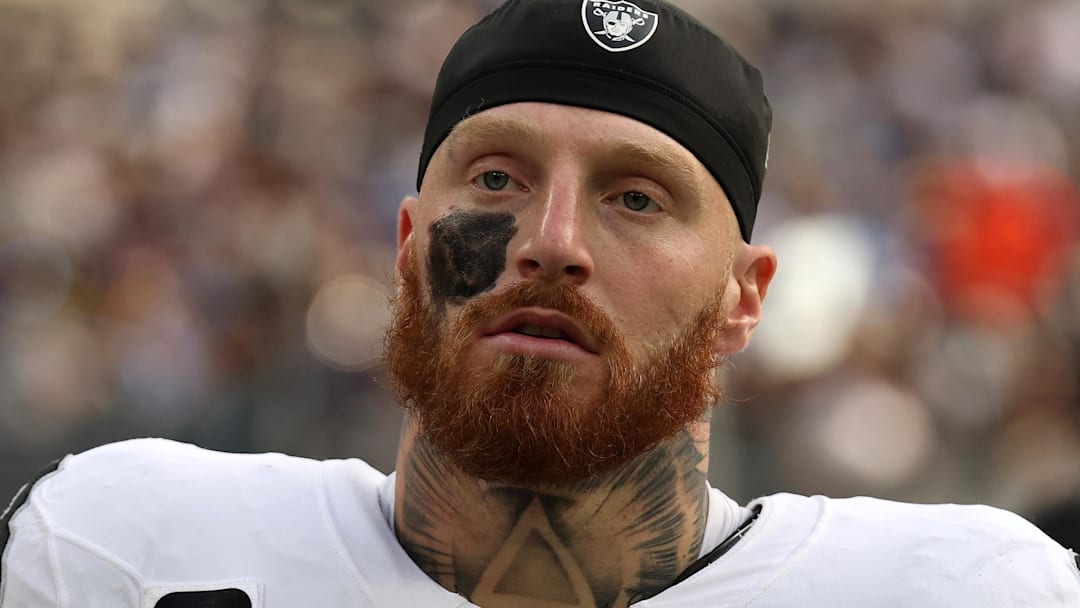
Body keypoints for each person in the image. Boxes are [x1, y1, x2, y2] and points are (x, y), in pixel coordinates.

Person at [2, 0, 1078, 606]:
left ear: (743, 300)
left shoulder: (960, 589)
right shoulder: (121, 546)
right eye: (498, 179)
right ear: (408, 247)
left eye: (638, 197)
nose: (552, 243)